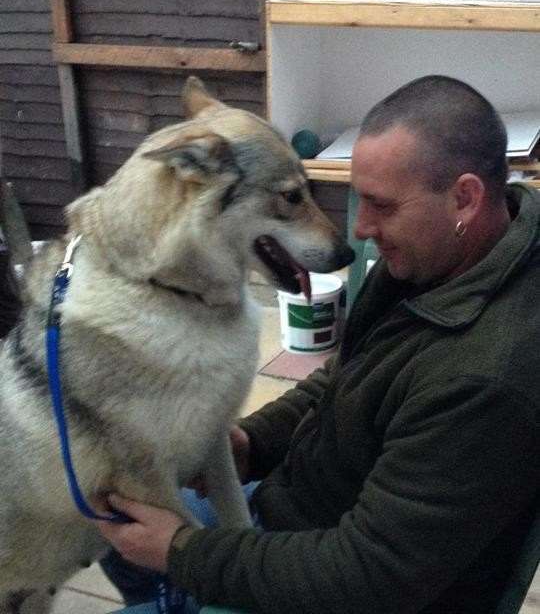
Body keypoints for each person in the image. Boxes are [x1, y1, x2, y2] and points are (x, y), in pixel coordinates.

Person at [97, 75, 540, 614]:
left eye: (381, 205)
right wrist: (251, 445)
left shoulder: (487, 378)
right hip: (298, 508)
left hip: (335, 576)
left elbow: (369, 574)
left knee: (149, 543)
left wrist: (181, 552)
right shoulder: (443, 257)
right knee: (113, 530)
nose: (360, 230)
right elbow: (345, 375)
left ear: (464, 198)